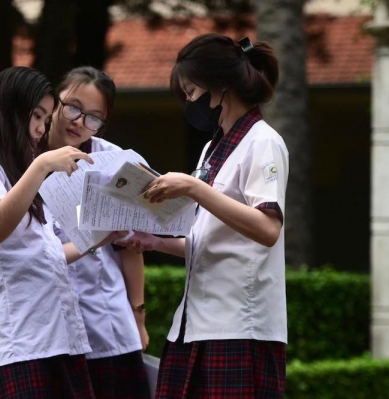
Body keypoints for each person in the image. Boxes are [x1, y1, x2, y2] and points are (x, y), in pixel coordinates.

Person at [118, 34, 289, 398]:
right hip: (194, 325)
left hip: (240, 327)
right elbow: (210, 240)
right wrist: (154, 242)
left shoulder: (263, 141)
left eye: (192, 90)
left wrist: (194, 188)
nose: (190, 102)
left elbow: (268, 227)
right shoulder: (215, 146)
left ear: (221, 87)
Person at [0, 66, 120, 398]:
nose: (40, 128)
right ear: (9, 110)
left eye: (46, 119)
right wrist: (42, 164)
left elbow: (47, 256)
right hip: (17, 343)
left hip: (56, 338)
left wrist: (101, 236)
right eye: (37, 117)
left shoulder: (18, 170)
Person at [40, 66, 151, 399]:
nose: (79, 122)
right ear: (54, 101)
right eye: (72, 107)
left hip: (108, 323)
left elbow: (130, 248)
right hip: (46, 329)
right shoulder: (24, 157)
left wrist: (138, 316)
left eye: (93, 117)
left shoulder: (115, 161)